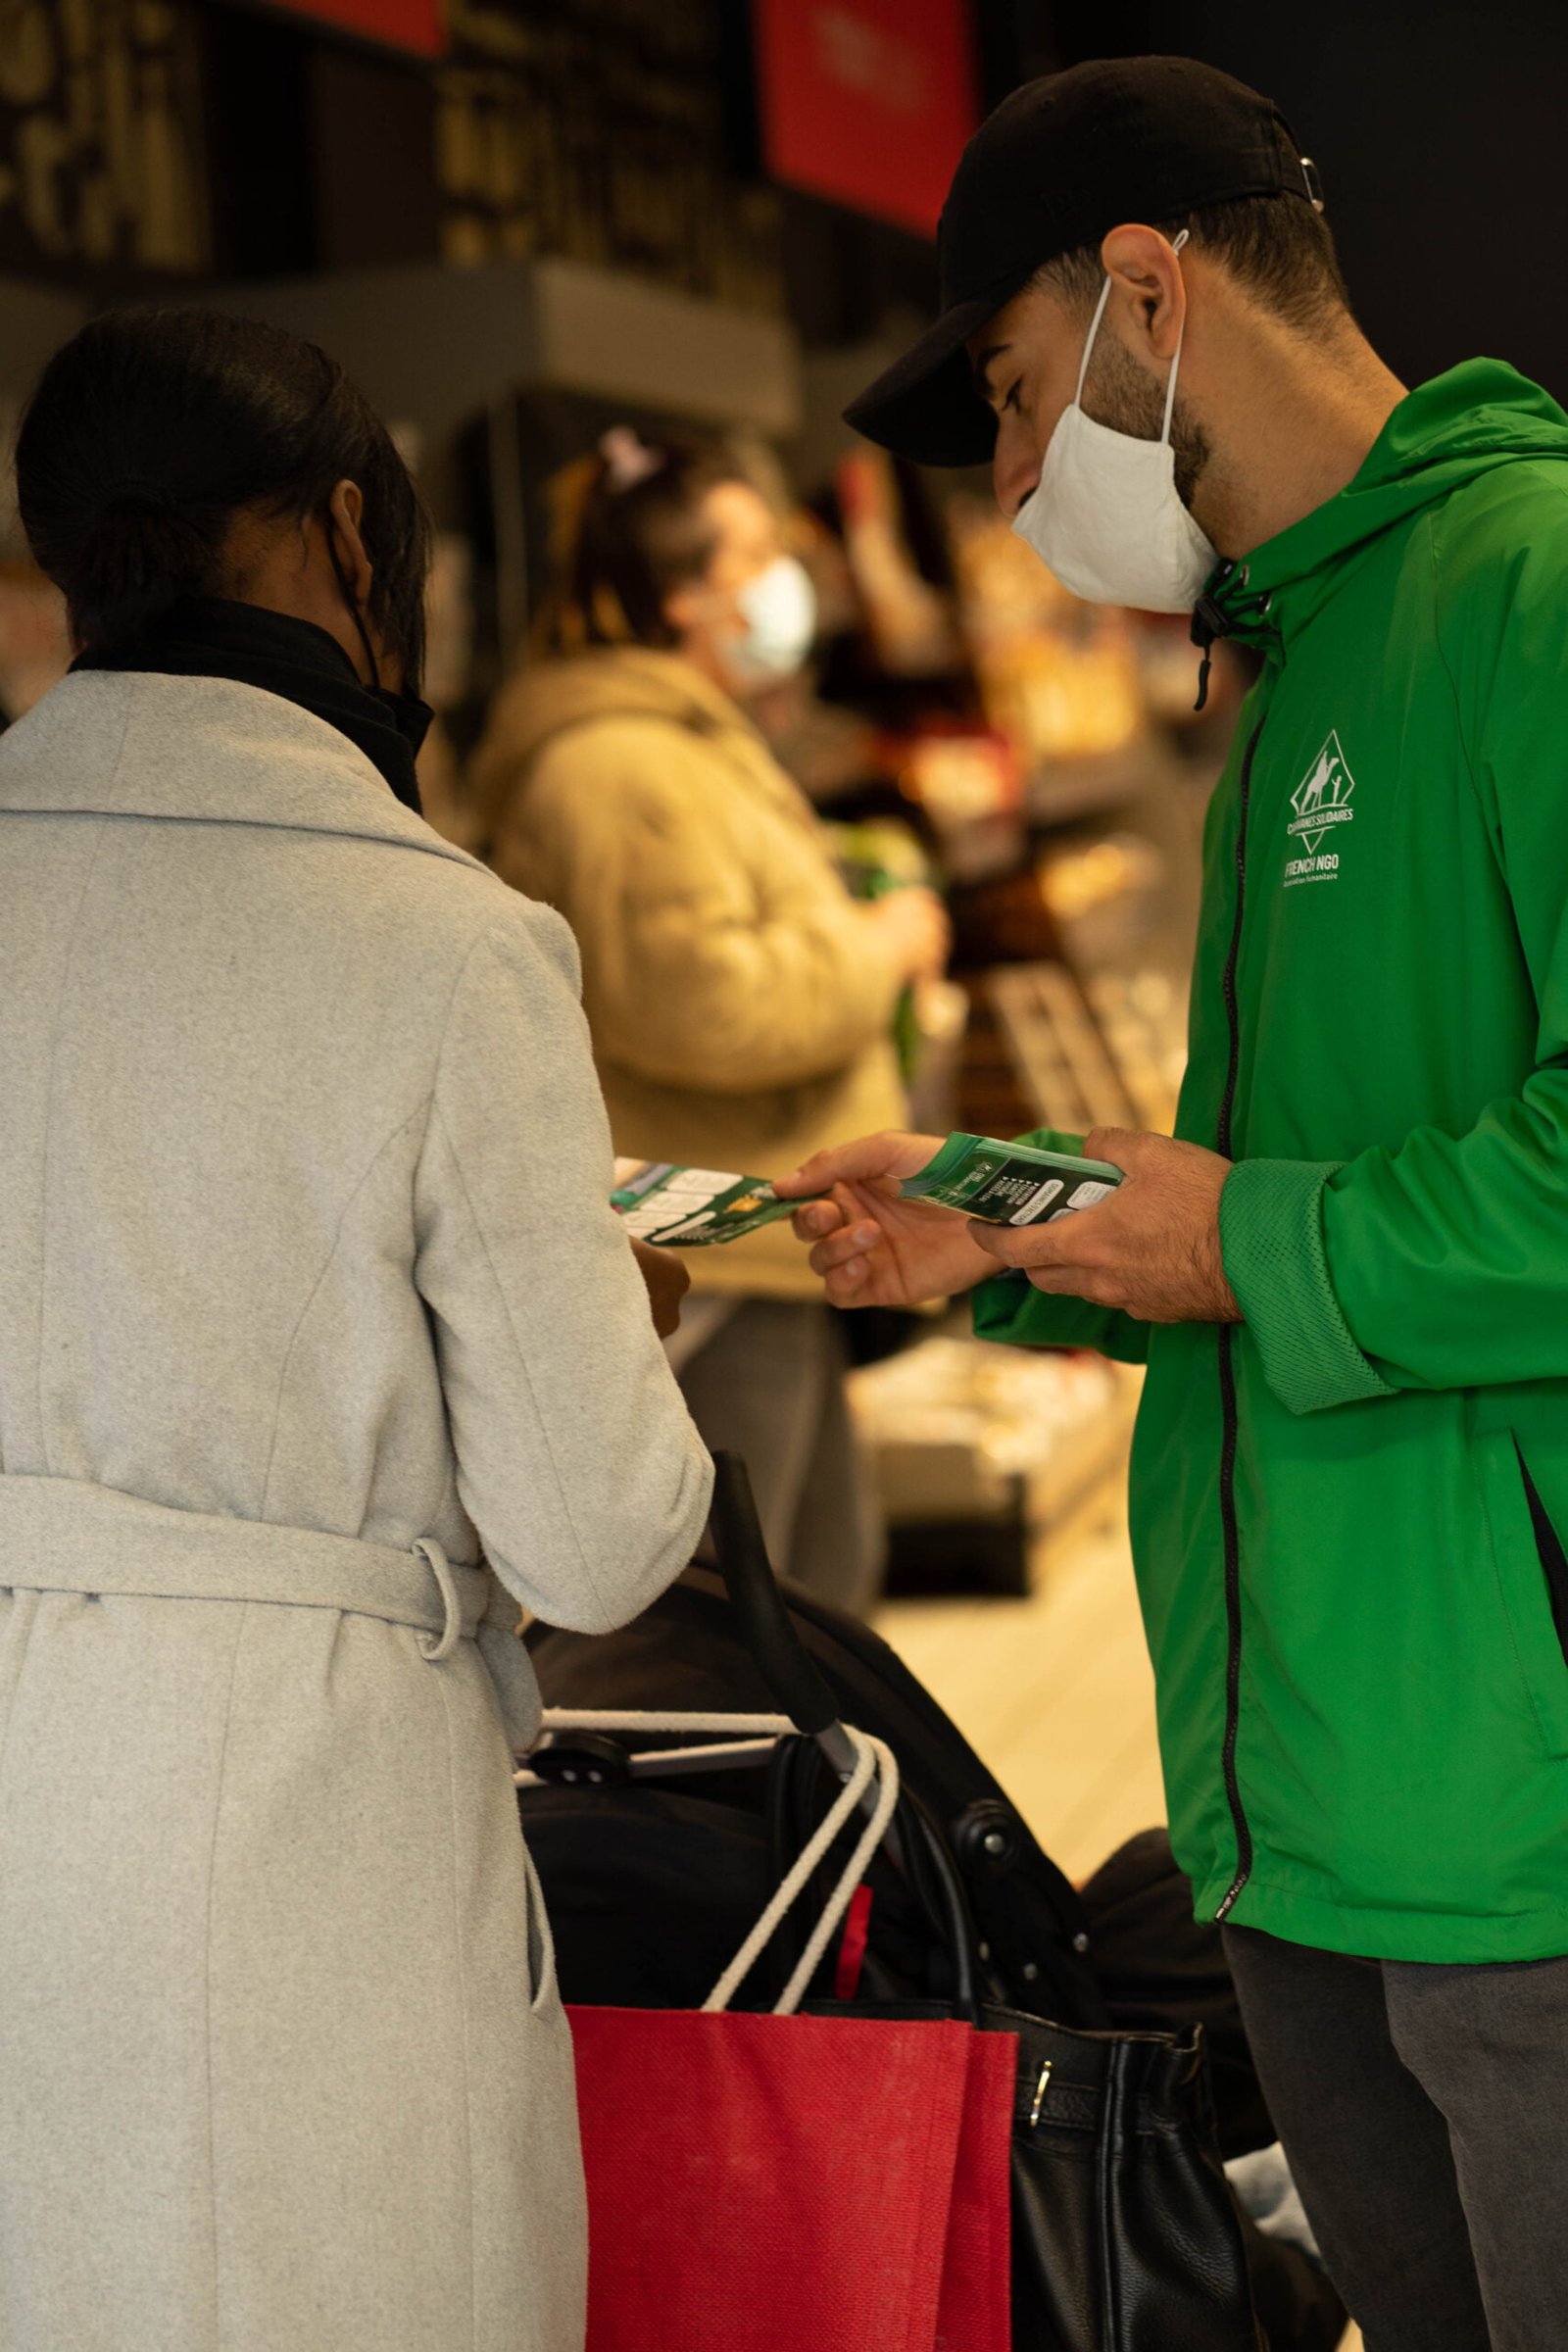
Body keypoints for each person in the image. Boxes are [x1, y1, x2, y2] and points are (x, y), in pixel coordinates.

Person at [779, 55, 1568, 2352]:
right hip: (1289, 1795)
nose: (1013, 481)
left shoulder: (1525, 583)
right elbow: (1268, 1193)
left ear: (1146, 293)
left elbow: (1279, 1222)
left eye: (1011, 397)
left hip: (1512, 1820)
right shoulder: (1287, 665)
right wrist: (1002, 1227)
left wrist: (1232, 1239)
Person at [0, 309, 712, 2352]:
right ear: (341, 529)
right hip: (303, 1831)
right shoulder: (444, 947)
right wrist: (618, 1308)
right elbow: (595, 1537)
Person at [472, 428, 949, 1612]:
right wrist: (878, 949)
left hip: (767, 1236)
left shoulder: (687, 744)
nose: (786, 574)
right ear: (681, 594)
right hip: (709, 1252)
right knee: (734, 1626)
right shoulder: (620, 767)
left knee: (817, 1601)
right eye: (755, 552)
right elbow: (709, 1008)